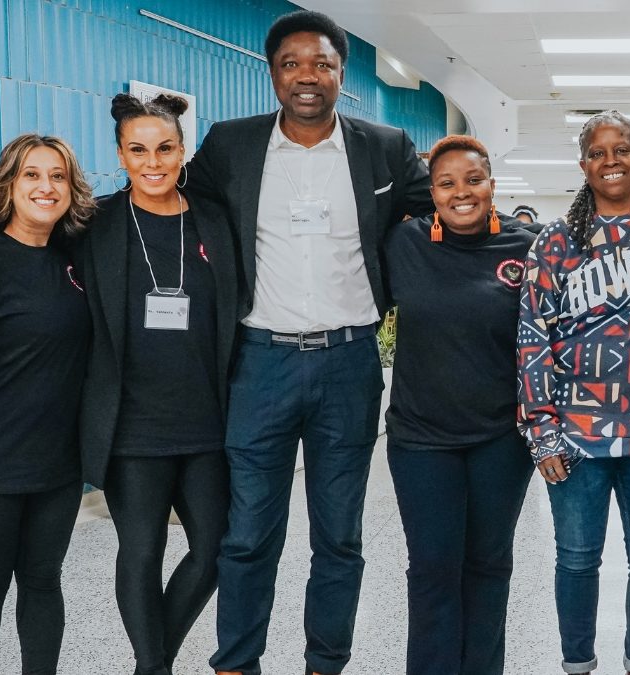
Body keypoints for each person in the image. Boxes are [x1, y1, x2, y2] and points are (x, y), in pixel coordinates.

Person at [183, 10, 433, 675]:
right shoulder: (229, 145)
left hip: (350, 361)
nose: (307, 76)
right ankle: (237, 660)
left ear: (341, 75)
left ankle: (326, 661)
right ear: (272, 72)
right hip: (258, 362)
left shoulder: (383, 146)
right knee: (247, 533)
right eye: (292, 63)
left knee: (340, 536)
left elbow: (433, 212)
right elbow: (180, 212)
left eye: (321, 63)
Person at [518, 110, 630, 675]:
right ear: (583, 162)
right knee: (576, 561)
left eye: (622, 150)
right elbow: (533, 337)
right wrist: (541, 431)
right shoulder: (557, 240)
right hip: (575, 434)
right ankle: (577, 665)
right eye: (597, 152)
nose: (610, 161)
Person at [77, 93, 238, 675]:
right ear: (120, 155)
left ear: (182, 150)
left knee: (217, 549)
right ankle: (154, 665)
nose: (153, 162)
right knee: (141, 552)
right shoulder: (95, 225)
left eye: (165, 148)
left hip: (207, 425)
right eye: (138, 149)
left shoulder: (216, 222)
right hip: (130, 427)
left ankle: (154, 659)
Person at [383, 134, 534, 674]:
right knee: (432, 569)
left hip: (501, 439)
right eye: (446, 183)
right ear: (432, 191)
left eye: (473, 180)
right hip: (422, 440)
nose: (461, 192)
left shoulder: (527, 247)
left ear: (492, 185)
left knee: (490, 566)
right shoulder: (404, 244)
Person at [0, 133, 93, 675]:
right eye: (31, 174)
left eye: (57, 176)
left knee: (41, 583)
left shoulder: (72, 258)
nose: (45, 186)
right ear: (9, 183)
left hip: (57, 467)